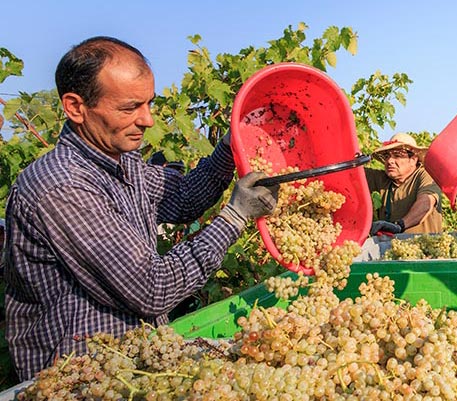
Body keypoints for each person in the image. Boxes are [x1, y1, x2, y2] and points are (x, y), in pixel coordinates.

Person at [1, 36, 278, 381]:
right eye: (130, 108)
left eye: (149, 104)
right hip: (81, 379)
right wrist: (235, 217)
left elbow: (183, 198)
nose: (147, 120)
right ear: (75, 107)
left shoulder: (120, 161)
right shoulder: (62, 186)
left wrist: (228, 147)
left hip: (134, 364)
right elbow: (152, 289)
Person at [365, 133, 443, 235]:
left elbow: (426, 203)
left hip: (423, 247)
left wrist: (400, 225)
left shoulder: (425, 175)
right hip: (391, 248)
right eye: (387, 156)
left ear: (413, 160)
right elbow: (351, 173)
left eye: (397, 156)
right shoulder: (382, 180)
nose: (390, 161)